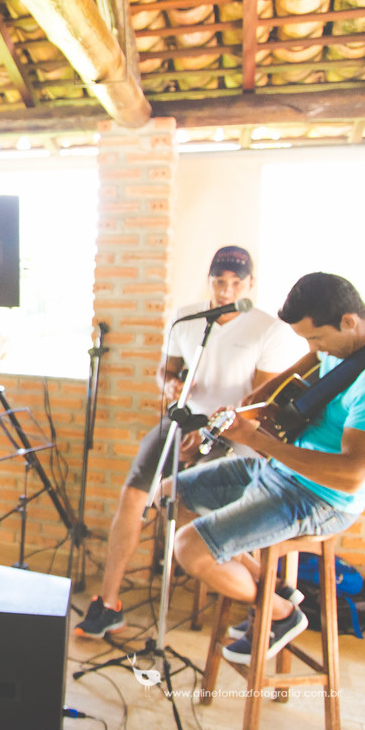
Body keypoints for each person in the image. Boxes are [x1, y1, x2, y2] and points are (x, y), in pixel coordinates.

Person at [75, 246, 302, 638]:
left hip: (235, 427)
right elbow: (164, 372)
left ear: (250, 284)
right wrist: (173, 384)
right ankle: (108, 603)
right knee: (135, 494)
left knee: (191, 503)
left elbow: (261, 403)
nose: (226, 290)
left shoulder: (269, 329)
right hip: (183, 417)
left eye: (235, 283)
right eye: (219, 281)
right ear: (210, 281)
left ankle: (270, 590)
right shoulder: (187, 318)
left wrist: (212, 429)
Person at [170, 272, 365, 664]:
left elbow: (351, 474)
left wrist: (256, 440)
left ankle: (282, 614)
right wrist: (247, 407)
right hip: (277, 469)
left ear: (350, 322)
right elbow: (288, 380)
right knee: (171, 495)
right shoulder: (337, 345)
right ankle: (271, 589)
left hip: (319, 498)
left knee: (188, 549)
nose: (313, 348)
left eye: (315, 339)